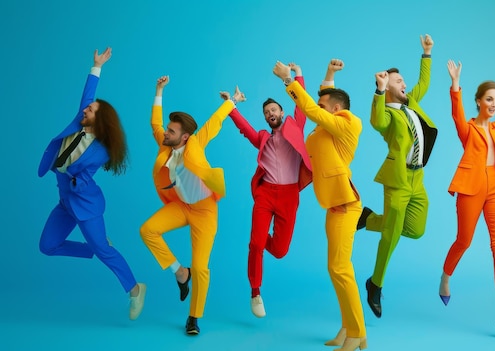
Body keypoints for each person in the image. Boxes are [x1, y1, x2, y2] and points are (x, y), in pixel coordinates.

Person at [38, 47, 146, 320]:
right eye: (87, 107)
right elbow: (88, 94)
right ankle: (95, 248)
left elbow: (84, 178)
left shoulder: (102, 150)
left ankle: (134, 289)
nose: (86, 108)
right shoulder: (80, 120)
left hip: (85, 203)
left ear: (100, 121)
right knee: (48, 246)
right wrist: (96, 66)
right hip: (65, 201)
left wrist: (75, 181)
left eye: (91, 109)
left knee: (107, 253)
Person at [273, 59, 366, 351]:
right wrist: (329, 75)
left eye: (324, 106)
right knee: (336, 268)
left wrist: (289, 81)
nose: (317, 111)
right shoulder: (326, 127)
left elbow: (315, 108)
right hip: (333, 203)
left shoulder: (348, 122)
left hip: (345, 203)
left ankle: (357, 334)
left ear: (336, 110)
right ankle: (349, 327)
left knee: (340, 268)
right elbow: (323, 103)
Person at [139, 75, 242, 335]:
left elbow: (214, 123)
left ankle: (194, 318)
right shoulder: (164, 146)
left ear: (184, 137)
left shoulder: (195, 143)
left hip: (204, 210)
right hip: (181, 206)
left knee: (201, 267)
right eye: (167, 130)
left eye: (171, 132)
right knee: (147, 231)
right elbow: (154, 122)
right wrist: (159, 90)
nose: (165, 133)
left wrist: (233, 102)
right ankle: (180, 273)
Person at [438, 57, 495, 342]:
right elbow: (456, 115)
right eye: (489, 99)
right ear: (478, 101)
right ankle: (446, 276)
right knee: (464, 240)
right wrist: (455, 85)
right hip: (471, 188)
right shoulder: (468, 128)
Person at [220, 63, 311, 318]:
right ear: (266, 119)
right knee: (257, 244)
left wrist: (296, 77)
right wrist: (231, 106)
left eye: (273, 109)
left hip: (289, 195)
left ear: (282, 111)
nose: (270, 113)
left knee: (280, 250)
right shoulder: (263, 138)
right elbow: (244, 129)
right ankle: (255, 291)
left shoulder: (295, 127)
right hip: (265, 193)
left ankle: (257, 240)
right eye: (266, 112)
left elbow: (302, 105)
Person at [358, 34, 437, 318]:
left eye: (404, 80)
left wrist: (426, 53)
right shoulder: (388, 116)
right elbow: (376, 120)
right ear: (387, 87)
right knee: (391, 237)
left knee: (415, 230)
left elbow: (424, 83)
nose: (404, 84)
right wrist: (379, 92)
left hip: (419, 179)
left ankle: (368, 219)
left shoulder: (411, 102)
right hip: (398, 179)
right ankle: (375, 283)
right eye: (398, 81)